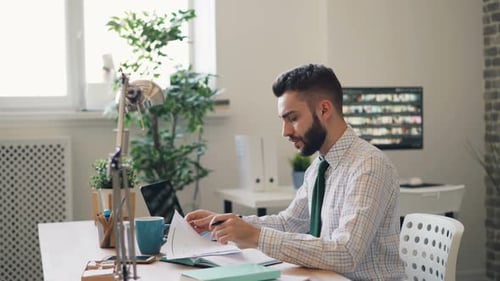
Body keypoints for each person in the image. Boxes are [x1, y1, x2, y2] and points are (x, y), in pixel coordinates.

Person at [185, 64, 404, 280]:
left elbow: (345, 253)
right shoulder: (319, 167)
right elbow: (289, 222)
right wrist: (230, 223)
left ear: (324, 110)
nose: (285, 131)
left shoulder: (369, 166)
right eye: (283, 120)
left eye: (293, 118)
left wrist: (255, 236)